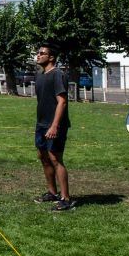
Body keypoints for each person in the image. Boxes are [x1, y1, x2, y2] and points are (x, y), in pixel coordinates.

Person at [33, 44, 75, 211]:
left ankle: (66, 199)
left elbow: (62, 102)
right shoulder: (40, 75)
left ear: (51, 57)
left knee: (56, 159)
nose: (38, 55)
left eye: (42, 53)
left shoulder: (58, 74)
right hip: (41, 124)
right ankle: (52, 193)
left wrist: (54, 126)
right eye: (38, 53)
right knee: (43, 157)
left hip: (55, 125)